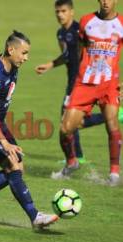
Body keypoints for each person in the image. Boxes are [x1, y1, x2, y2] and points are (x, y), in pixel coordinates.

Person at [0, 30, 59, 229]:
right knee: (13, 166)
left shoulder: (10, 65)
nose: (26, 58)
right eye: (23, 53)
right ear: (10, 49)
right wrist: (5, 142)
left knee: (17, 167)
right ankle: (35, 216)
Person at [52, 0, 122, 186]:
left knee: (112, 124)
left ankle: (114, 174)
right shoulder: (86, 21)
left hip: (109, 84)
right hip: (85, 83)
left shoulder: (121, 23)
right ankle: (72, 162)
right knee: (65, 128)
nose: (106, 1)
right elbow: (79, 51)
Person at [35, 0, 105, 164]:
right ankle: (78, 157)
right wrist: (51, 65)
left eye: (63, 11)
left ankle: (113, 115)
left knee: (67, 121)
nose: (60, 14)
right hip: (71, 80)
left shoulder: (79, 31)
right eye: (57, 12)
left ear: (72, 12)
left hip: (81, 81)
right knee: (68, 120)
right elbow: (67, 56)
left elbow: (93, 52)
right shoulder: (60, 33)